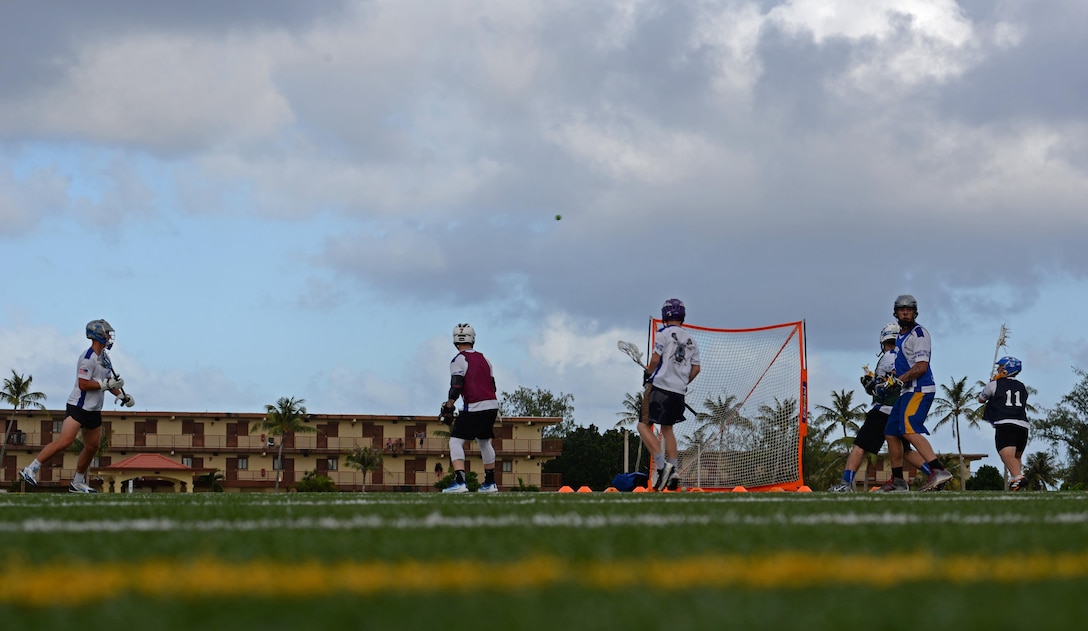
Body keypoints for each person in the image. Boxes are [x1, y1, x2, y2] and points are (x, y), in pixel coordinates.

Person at [21, 319, 135, 493]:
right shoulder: (87, 358)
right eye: (106, 333)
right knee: (65, 441)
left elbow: (107, 383)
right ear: (97, 335)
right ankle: (31, 468)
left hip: (94, 409)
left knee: (92, 447)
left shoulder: (105, 358)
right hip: (78, 406)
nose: (109, 336)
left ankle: (78, 482)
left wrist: (122, 396)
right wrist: (105, 385)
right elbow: (83, 384)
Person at [828, 323, 931, 492]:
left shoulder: (890, 356)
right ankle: (932, 473)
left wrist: (873, 384)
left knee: (860, 446)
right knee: (905, 451)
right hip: (899, 410)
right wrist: (874, 384)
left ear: (883, 340)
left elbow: (892, 379)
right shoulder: (905, 356)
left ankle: (846, 483)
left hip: (884, 411)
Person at [881, 295, 952, 492]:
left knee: (909, 430)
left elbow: (921, 367)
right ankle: (897, 480)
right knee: (891, 433)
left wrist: (898, 380)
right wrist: (886, 381)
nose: (905, 312)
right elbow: (905, 366)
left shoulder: (919, 334)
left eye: (909, 309)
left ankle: (938, 470)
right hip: (907, 391)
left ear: (915, 312)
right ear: (896, 313)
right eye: (902, 310)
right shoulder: (901, 336)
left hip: (920, 389)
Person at [639, 299, 701, 491]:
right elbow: (696, 369)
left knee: (643, 426)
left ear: (665, 315)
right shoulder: (692, 341)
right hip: (678, 393)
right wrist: (682, 383)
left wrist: (648, 374)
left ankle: (661, 466)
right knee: (668, 429)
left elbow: (655, 359)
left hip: (660, 388)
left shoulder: (663, 334)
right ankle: (673, 471)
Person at [440, 323, 500, 493]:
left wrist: (449, 405)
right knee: (483, 441)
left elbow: (456, 386)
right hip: (492, 405)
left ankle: (460, 481)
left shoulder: (458, 360)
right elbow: (492, 385)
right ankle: (490, 483)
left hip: (474, 406)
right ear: (472, 338)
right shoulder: (485, 359)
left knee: (455, 441)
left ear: (455, 341)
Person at [978, 356, 1030, 491]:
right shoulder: (1022, 386)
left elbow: (981, 399)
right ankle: (1016, 481)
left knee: (1006, 454)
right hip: (1023, 425)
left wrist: (991, 383)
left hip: (1006, 424)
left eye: (1000, 366)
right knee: (1016, 456)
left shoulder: (994, 384)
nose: (998, 368)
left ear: (1007, 369)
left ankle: (1018, 477)